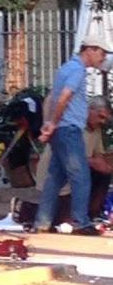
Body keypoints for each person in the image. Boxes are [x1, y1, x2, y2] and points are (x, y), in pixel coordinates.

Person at [34, 35, 111, 235]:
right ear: (90, 50)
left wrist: (50, 124)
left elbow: (53, 99)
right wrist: (53, 122)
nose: (102, 58)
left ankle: (42, 222)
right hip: (69, 128)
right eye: (101, 53)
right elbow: (64, 98)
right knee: (81, 177)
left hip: (61, 128)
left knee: (56, 177)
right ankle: (81, 222)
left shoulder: (66, 68)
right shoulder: (77, 70)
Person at [11, 96, 112, 230]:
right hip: (58, 173)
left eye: (104, 119)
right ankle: (24, 209)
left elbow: (99, 156)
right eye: (100, 117)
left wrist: (103, 165)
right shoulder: (72, 126)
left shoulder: (95, 130)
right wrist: (92, 162)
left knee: (102, 175)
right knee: (63, 219)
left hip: (78, 174)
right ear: (89, 111)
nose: (102, 122)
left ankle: (91, 212)